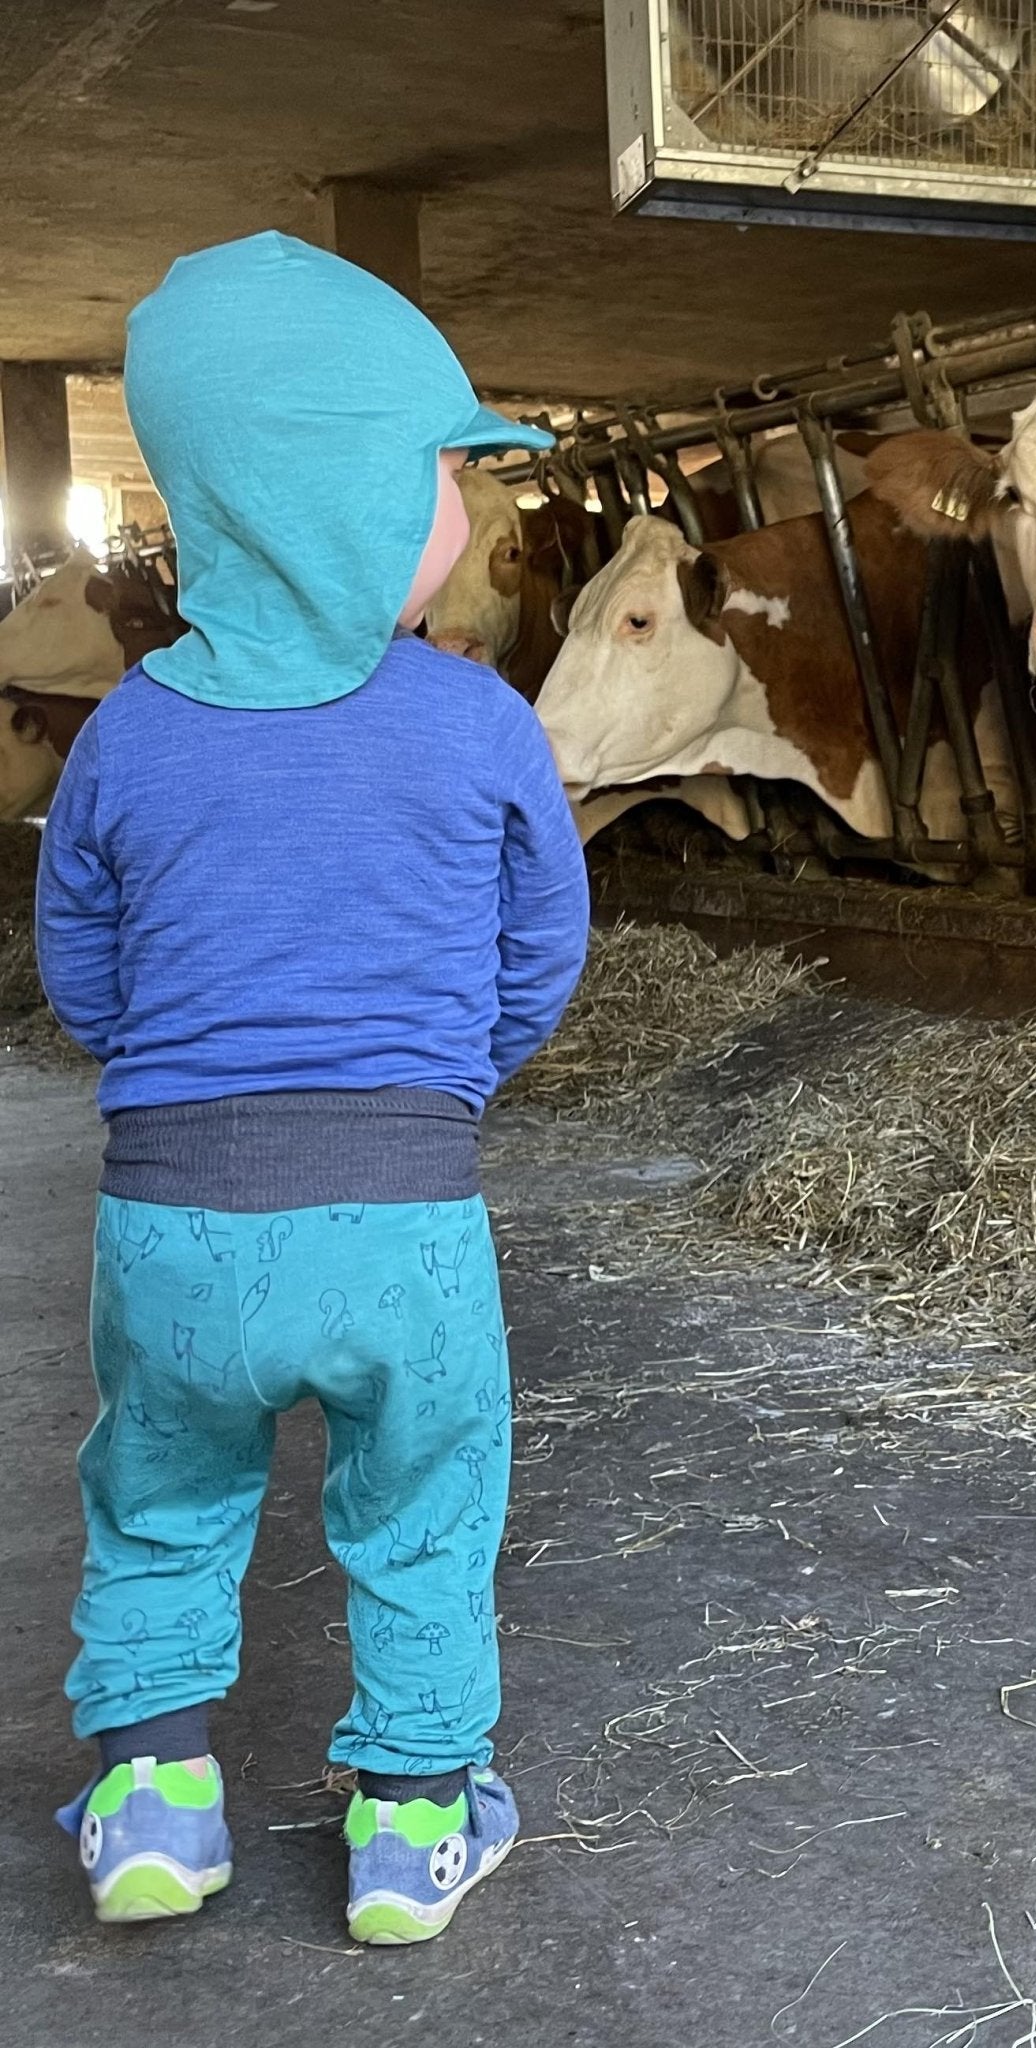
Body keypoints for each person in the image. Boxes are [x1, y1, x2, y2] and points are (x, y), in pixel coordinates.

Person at [34, 231, 589, 1943]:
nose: (469, 513)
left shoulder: (126, 730)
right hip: (405, 1214)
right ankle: (412, 1826)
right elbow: (540, 948)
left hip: (173, 1215)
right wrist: (438, 1080)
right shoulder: (479, 720)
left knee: (160, 1492)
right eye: (440, 471)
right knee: (422, 1510)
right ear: (347, 485)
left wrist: (182, 1075)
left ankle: (150, 1803)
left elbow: (81, 976)